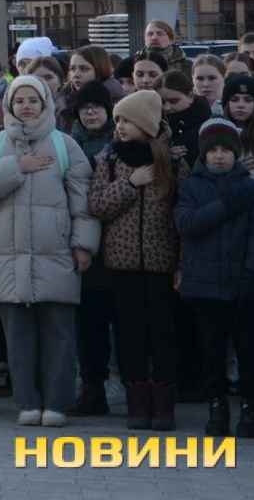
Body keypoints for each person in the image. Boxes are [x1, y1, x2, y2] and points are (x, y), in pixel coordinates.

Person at [0, 76, 97, 428]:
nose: (26, 106)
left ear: (44, 104)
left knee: (59, 334)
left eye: (33, 100)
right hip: (7, 257)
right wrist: (17, 167)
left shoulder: (65, 145)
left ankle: (56, 403)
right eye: (19, 100)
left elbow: (83, 203)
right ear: (9, 105)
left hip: (56, 254)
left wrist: (83, 244)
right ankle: (27, 402)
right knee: (18, 336)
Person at [89, 88, 181, 431]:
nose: (121, 126)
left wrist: (181, 263)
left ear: (147, 124)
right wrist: (130, 183)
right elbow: (98, 206)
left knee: (162, 333)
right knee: (130, 334)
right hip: (122, 264)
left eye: (128, 120)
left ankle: (164, 404)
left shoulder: (172, 163)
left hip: (161, 263)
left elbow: (181, 216)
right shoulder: (111, 161)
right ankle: (138, 403)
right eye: (118, 120)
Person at [176, 117, 254, 439]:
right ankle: (217, 406)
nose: (219, 156)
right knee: (211, 351)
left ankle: (250, 406)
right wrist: (226, 206)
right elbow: (186, 223)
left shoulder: (251, 188)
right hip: (204, 285)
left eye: (225, 150)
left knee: (249, 352)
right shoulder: (192, 186)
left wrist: (252, 274)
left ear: (235, 153)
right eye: (212, 150)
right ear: (204, 153)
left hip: (242, 282)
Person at [64, 80, 118, 416]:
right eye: (84, 108)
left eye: (97, 107)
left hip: (120, 245)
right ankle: (92, 389)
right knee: (89, 325)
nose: (91, 113)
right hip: (83, 247)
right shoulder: (67, 145)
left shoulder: (120, 142)